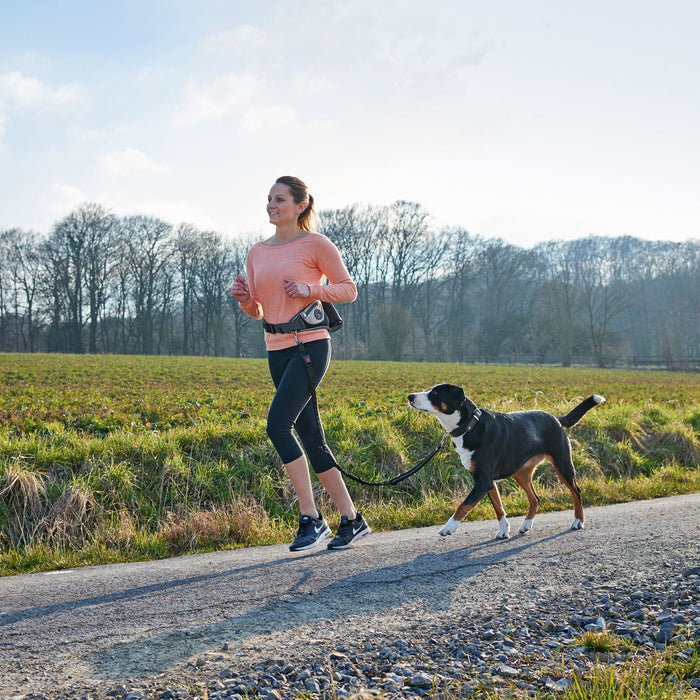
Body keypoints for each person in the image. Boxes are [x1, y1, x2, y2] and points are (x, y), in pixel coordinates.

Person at [231, 175, 371, 552]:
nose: (271, 205)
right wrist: (245, 299)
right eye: (269, 199)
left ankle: (311, 518)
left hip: (310, 343)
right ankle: (353, 520)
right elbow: (258, 309)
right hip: (275, 347)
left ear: (300, 205)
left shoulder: (316, 244)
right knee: (311, 437)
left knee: (278, 426)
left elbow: (348, 289)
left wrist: (311, 290)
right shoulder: (257, 251)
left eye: (279, 199)